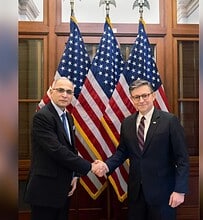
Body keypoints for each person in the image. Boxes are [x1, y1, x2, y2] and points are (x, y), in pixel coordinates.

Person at [94, 79, 190, 220]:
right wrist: (106, 165)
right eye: (136, 97)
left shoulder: (169, 121)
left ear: (153, 96)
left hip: (163, 194)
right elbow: (122, 152)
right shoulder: (127, 123)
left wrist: (180, 190)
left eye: (145, 95)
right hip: (136, 193)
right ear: (131, 99)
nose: (141, 100)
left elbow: (182, 159)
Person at [24, 77, 103, 220]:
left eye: (69, 92)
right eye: (60, 90)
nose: (64, 95)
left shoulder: (68, 116)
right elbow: (57, 150)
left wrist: (74, 175)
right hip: (45, 191)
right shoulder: (42, 117)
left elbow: (71, 148)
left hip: (63, 188)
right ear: (51, 91)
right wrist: (90, 166)